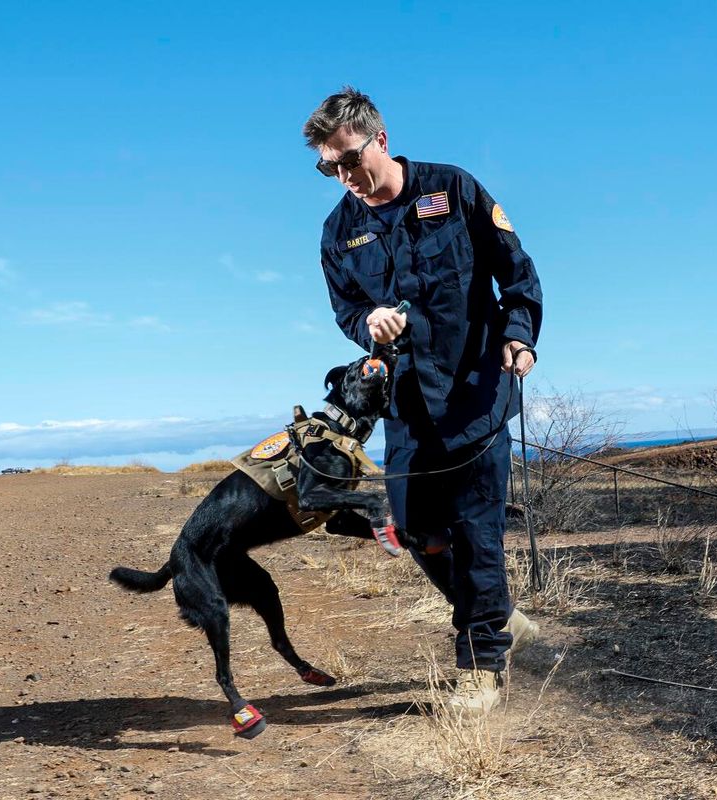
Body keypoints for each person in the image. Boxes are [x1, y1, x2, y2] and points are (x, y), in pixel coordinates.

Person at [303, 87, 544, 719]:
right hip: (406, 401)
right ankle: (500, 617)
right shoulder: (338, 230)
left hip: (475, 391)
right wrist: (368, 322)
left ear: (379, 140)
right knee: (414, 532)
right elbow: (345, 308)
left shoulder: (455, 189)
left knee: (476, 530)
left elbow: (515, 271)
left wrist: (520, 337)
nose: (343, 176)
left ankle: (482, 667)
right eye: (329, 167)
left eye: (349, 159)